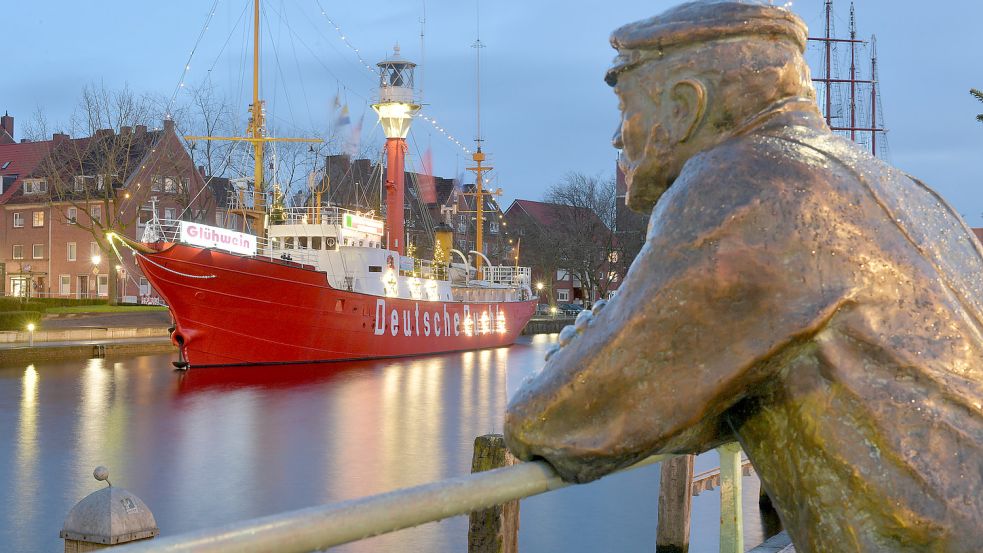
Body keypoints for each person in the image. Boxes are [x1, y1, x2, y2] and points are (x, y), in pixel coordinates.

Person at [504, 2, 983, 551]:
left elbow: (556, 418)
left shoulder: (745, 186)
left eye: (625, 107)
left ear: (685, 106)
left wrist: (580, 357)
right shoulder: (909, 192)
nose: (617, 137)